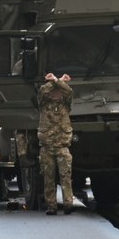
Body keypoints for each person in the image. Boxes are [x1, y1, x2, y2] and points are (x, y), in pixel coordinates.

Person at [37, 72, 74, 215]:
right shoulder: (43, 104)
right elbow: (42, 91)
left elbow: (68, 91)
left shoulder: (66, 105)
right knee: (48, 178)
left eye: (58, 91)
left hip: (62, 147)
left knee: (66, 176)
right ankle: (51, 205)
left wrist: (58, 81)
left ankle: (68, 204)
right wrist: (54, 81)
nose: (56, 94)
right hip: (47, 148)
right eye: (54, 91)